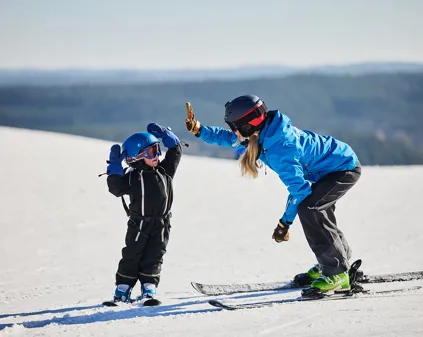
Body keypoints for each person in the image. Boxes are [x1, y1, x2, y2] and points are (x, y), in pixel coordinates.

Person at [185, 95, 361, 294]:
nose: (233, 131)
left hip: (343, 167)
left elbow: (300, 191)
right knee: (318, 209)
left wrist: (284, 223)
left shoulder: (280, 149)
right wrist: (199, 130)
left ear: (247, 126)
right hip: (332, 166)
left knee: (310, 208)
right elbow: (228, 139)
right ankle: (336, 262)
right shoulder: (265, 134)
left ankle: (336, 272)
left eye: (234, 126)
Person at [105, 123, 182, 303]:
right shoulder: (131, 177)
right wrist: (115, 166)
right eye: (151, 152)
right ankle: (122, 288)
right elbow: (115, 188)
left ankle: (149, 288)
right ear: (136, 157)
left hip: (162, 224)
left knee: (155, 255)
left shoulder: (165, 171)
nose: (157, 156)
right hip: (138, 224)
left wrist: (168, 137)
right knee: (132, 254)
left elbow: (175, 153)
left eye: (157, 150)